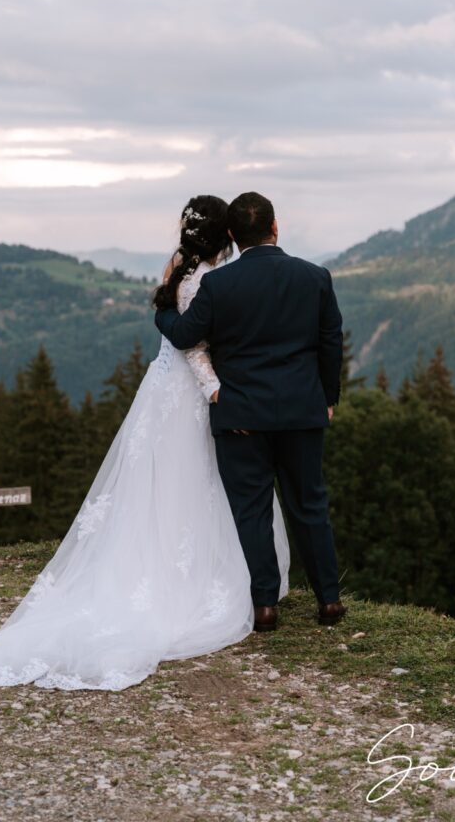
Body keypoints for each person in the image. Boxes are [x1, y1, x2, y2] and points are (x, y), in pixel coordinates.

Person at [0, 195, 290, 691]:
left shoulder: (180, 265)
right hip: (196, 391)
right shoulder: (215, 278)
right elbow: (193, 344)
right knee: (200, 482)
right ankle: (198, 579)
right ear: (226, 234)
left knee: (167, 484)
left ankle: (172, 568)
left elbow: (173, 326)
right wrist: (217, 389)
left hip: (163, 391)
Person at [156, 191, 345, 632]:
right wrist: (328, 398)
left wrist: (163, 310)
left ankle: (265, 606)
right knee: (310, 505)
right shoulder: (315, 277)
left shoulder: (219, 286)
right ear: (275, 227)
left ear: (232, 236)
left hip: (241, 414)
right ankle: (330, 600)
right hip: (302, 411)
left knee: (252, 509)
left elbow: (184, 336)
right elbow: (330, 342)